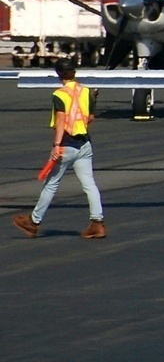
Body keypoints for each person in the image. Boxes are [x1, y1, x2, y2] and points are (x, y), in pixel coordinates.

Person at [12, 62, 105, 239]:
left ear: (59, 75)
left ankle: (34, 222)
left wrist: (56, 145)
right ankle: (97, 223)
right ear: (74, 73)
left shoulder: (59, 95)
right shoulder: (85, 91)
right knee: (89, 184)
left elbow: (61, 120)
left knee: (51, 184)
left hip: (66, 145)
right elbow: (90, 117)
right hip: (84, 144)